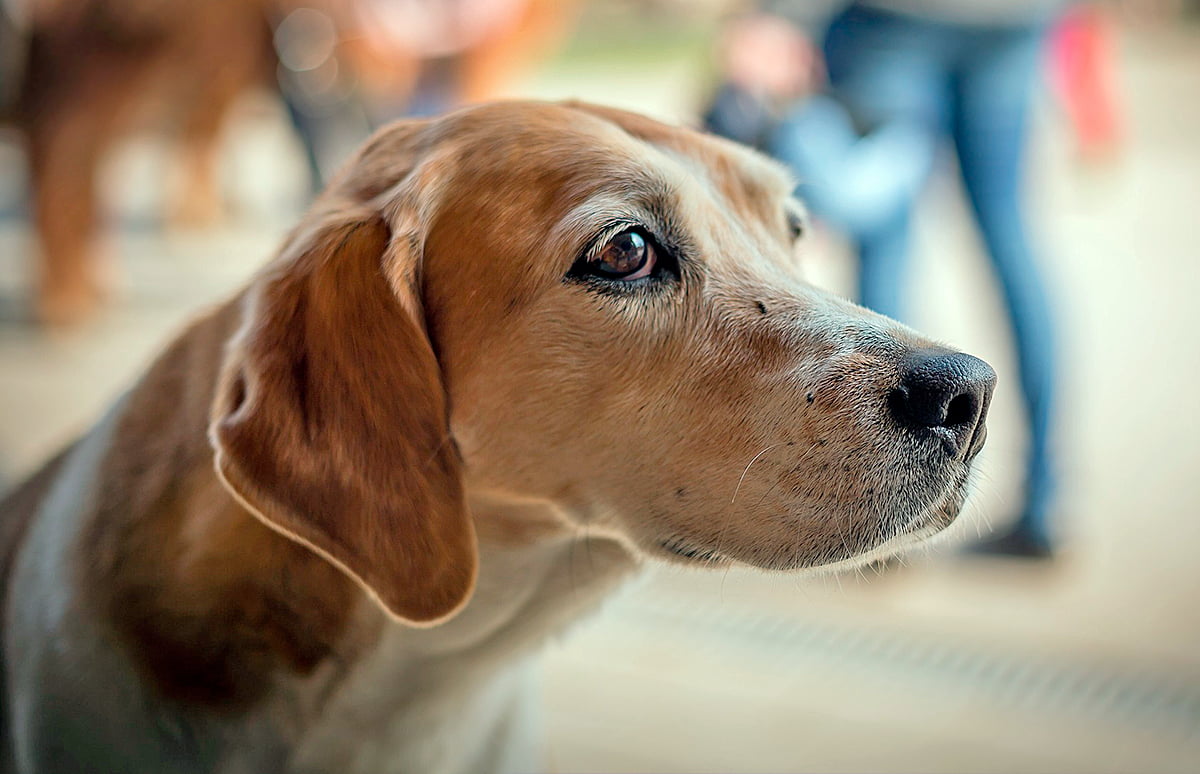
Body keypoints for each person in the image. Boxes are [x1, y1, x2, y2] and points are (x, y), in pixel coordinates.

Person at [704, 1, 1064, 559]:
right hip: (1014, 19)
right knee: (1009, 234)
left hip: (893, 20)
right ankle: (1044, 502)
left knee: (884, 240)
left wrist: (776, 13)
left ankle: (879, 509)